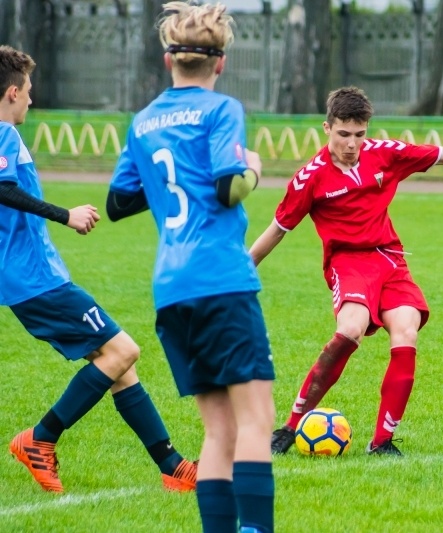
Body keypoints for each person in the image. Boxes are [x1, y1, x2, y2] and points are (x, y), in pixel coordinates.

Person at [250, 86, 443, 456]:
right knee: (350, 329)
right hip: (348, 263)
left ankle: (382, 442)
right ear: (327, 128)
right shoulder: (309, 178)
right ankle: (291, 427)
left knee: (406, 330)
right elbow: (277, 230)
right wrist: (242, 270)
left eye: (359, 135)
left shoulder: (385, 154)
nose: (351, 144)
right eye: (343, 134)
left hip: (389, 259)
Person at [106, 3, 275, 532]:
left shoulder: (143, 121)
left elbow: (117, 201)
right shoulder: (222, 110)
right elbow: (229, 189)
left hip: (171, 289)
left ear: (167, 60)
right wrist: (252, 169)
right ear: (220, 63)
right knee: (255, 421)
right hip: (221, 279)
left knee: (216, 431)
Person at [0, 46, 196, 494]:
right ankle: (40, 437)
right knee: (124, 351)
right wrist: (64, 214)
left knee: (118, 368)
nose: (32, 99)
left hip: (30, 278)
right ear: (12, 92)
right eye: (28, 91)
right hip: (36, 280)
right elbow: (2, 189)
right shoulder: (5, 135)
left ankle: (172, 466)